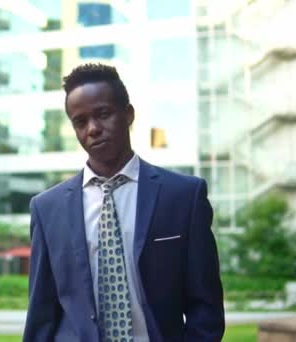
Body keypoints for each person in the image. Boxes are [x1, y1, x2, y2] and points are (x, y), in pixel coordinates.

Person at [23, 63, 224, 342]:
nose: (93, 129)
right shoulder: (47, 209)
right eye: (80, 122)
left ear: (128, 114)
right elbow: (41, 315)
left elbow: (206, 306)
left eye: (103, 114)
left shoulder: (183, 196)